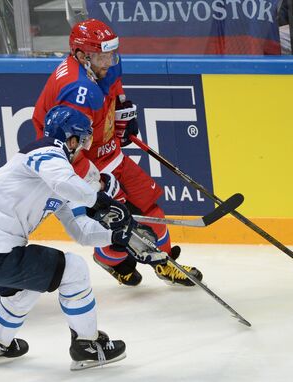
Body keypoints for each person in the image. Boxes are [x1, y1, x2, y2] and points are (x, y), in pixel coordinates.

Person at [0, 105, 167, 369]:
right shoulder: (46, 152)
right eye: (83, 140)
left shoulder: (60, 177)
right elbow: (65, 183)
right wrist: (100, 201)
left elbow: (81, 231)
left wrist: (116, 236)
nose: (85, 148)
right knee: (74, 269)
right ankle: (88, 346)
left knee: (29, 284)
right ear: (71, 138)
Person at [32, 18, 203, 287]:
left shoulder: (104, 65)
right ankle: (109, 258)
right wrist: (96, 184)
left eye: (112, 53)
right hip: (87, 164)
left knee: (148, 208)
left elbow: (114, 87)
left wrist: (122, 110)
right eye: (102, 56)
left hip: (110, 153)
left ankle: (165, 262)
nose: (110, 61)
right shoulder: (77, 91)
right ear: (81, 55)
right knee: (120, 223)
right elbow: (68, 151)